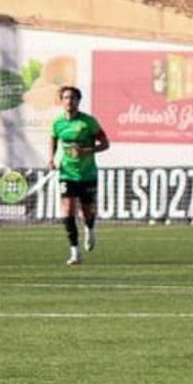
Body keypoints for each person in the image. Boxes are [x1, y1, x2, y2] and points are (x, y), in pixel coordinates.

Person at [48, 85, 109, 265]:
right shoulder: (57, 123)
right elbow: (52, 139)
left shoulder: (88, 122)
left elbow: (105, 143)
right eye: (66, 98)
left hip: (87, 174)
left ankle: (89, 228)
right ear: (62, 101)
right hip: (67, 173)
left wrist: (86, 151)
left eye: (73, 98)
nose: (69, 101)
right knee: (67, 210)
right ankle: (74, 252)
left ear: (78, 101)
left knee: (87, 211)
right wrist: (51, 159)